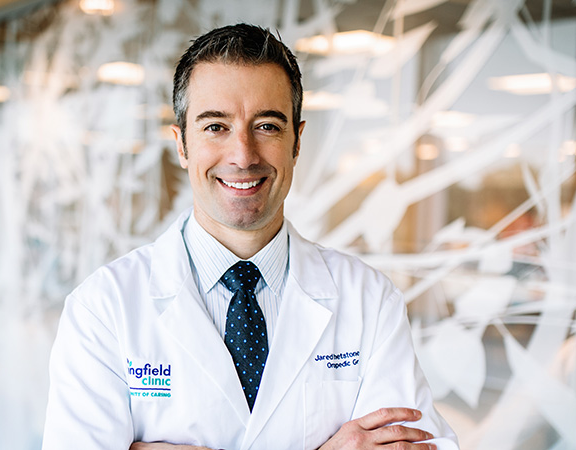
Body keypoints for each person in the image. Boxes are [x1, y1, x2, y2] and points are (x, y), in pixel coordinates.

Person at [42, 23, 459, 450]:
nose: (243, 156)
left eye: (267, 126)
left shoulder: (369, 301)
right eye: (215, 127)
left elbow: (423, 443)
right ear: (181, 145)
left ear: (297, 142)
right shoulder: (103, 308)